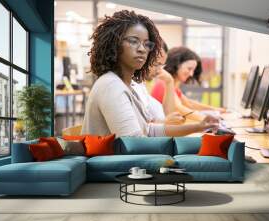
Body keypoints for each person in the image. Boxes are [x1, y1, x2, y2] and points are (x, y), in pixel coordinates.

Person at [81, 10, 218, 137]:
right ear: (114, 44)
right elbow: (134, 145)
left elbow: (148, 130)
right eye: (134, 41)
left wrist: (199, 127)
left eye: (147, 44)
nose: (142, 49)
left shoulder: (129, 86)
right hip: (117, 163)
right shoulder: (111, 85)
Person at [151, 46, 226, 122]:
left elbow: (189, 104)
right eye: (189, 69)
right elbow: (179, 108)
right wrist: (206, 119)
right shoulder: (164, 83)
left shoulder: (173, 86)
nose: (191, 74)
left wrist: (217, 110)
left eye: (193, 70)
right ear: (177, 65)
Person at [130, 41, 185, 125]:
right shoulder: (129, 87)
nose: (159, 70)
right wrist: (165, 121)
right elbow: (135, 127)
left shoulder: (141, 87)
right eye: (156, 64)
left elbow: (168, 117)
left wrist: (169, 82)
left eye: (162, 65)